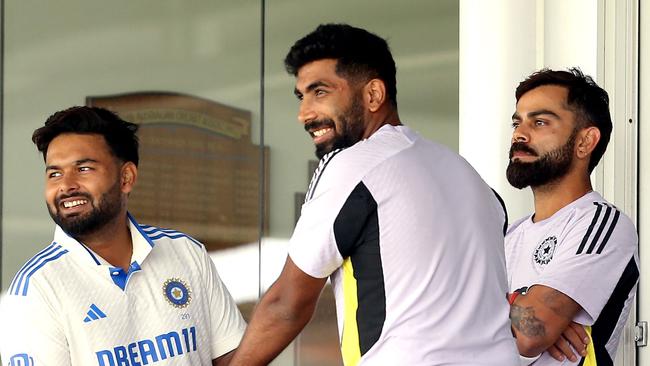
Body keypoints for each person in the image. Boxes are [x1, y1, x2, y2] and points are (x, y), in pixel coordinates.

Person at [229, 23, 519, 365]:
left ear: (373, 95)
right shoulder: (471, 178)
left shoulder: (353, 164)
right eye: (302, 96)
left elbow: (287, 305)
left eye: (320, 92)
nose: (304, 114)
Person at [0, 106, 246, 365]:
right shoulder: (37, 288)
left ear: (126, 177)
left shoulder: (185, 252)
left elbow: (231, 356)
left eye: (83, 169)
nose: (66, 185)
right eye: (55, 173)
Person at [505, 68, 639, 365]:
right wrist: (517, 306)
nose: (519, 134)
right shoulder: (508, 236)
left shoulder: (601, 223)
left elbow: (530, 332)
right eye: (517, 122)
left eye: (539, 122)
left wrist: (500, 308)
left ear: (585, 141)